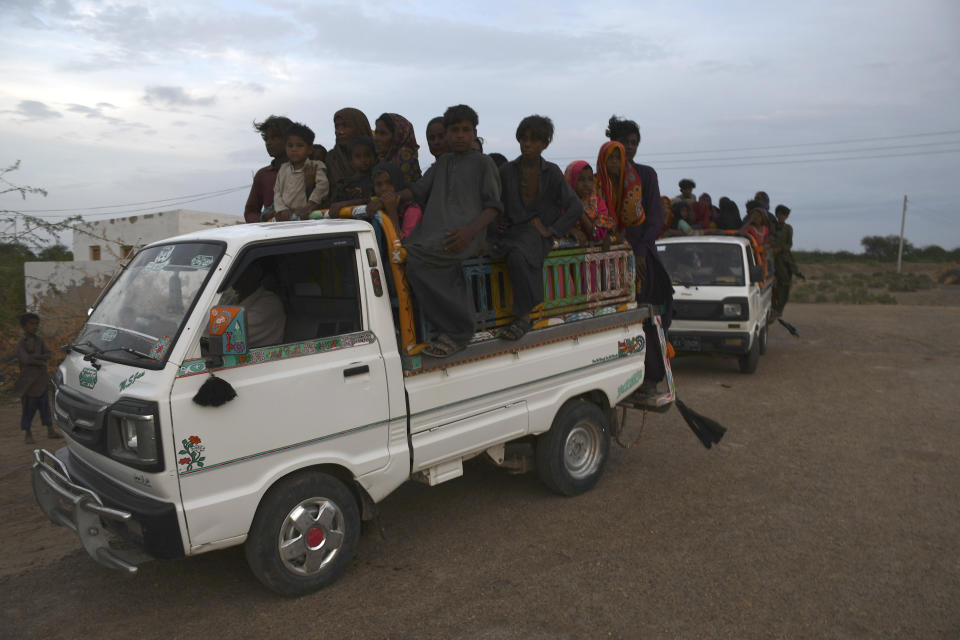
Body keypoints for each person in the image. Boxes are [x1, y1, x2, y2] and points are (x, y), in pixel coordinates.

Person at [397, 104, 502, 358]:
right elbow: (420, 189)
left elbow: (493, 208)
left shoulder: (484, 163)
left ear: (474, 132)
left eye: (466, 130)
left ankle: (459, 331)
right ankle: (443, 325)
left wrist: (468, 232)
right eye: (454, 130)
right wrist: (390, 198)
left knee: (423, 260)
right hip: (439, 231)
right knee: (411, 256)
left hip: (468, 233)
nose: (459, 135)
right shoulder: (443, 162)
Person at [490, 115, 582, 340]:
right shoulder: (507, 171)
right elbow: (494, 204)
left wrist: (551, 230)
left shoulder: (552, 173)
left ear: (544, 144)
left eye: (533, 140)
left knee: (516, 256)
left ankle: (524, 316)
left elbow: (575, 206)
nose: (527, 144)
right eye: (523, 139)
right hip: (512, 232)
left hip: (536, 236)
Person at [604, 115, 673, 398]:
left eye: (634, 143)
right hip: (607, 260)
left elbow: (654, 219)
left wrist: (641, 253)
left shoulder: (646, 175)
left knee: (646, 318)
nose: (630, 147)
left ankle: (649, 378)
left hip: (642, 258)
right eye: (624, 142)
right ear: (613, 142)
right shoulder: (601, 176)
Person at [14, 313, 59, 444]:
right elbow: (25, 359)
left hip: (41, 380)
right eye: (31, 324)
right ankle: (27, 434)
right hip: (28, 382)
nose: (35, 326)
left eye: (36, 324)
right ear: (24, 326)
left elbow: (49, 354)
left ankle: (50, 430)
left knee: (45, 407)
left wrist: (36, 358)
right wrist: (40, 360)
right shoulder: (21, 343)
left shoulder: (40, 340)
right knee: (28, 408)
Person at [221, 262, 285, 349]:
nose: (232, 275)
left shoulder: (269, 303)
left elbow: (227, 336)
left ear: (256, 272)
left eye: (238, 270)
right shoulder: (232, 298)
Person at [272, 122, 329, 221]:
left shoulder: (316, 166)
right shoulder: (283, 169)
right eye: (290, 146)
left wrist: (309, 205)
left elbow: (322, 187)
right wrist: (282, 210)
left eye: (299, 145)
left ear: (310, 150)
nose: (294, 149)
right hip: (287, 217)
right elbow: (277, 192)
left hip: (308, 215)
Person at [244, 115, 293, 223]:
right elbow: (251, 212)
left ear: (289, 138)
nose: (268, 143)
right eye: (266, 139)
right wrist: (264, 220)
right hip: (272, 235)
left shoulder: (308, 168)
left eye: (274, 138)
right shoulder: (263, 175)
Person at [564, 160, 616, 247]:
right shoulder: (561, 203)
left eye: (590, 179)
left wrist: (579, 211)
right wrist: (571, 230)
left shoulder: (598, 203)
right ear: (570, 180)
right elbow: (553, 227)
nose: (586, 184)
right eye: (580, 179)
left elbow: (596, 235)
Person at [369, 161, 422, 239]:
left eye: (389, 183)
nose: (384, 188)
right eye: (379, 184)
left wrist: (392, 212)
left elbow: (402, 247)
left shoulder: (412, 211)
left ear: (398, 183)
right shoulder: (374, 205)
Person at [328, 136, 377, 215]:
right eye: (358, 156)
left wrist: (349, 202)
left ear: (374, 157)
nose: (363, 160)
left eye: (367, 155)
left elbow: (376, 199)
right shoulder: (345, 184)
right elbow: (336, 205)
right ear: (350, 161)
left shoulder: (376, 179)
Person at [326, 108, 372, 189]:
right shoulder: (332, 158)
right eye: (337, 127)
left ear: (359, 126)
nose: (340, 132)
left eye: (345, 126)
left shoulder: (378, 155)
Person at [373, 113, 422, 188]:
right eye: (376, 133)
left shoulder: (404, 156)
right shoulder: (381, 158)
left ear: (397, 136)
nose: (376, 138)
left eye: (383, 133)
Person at [771, 204, 803, 318]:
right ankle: (772, 307)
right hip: (770, 258)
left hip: (784, 259)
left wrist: (779, 249)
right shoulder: (771, 226)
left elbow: (789, 244)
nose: (782, 217)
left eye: (785, 215)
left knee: (785, 284)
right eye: (781, 214)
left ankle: (779, 309)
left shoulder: (788, 228)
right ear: (777, 214)